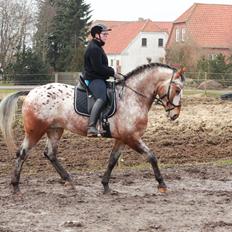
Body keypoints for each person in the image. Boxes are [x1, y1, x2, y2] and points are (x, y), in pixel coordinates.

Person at [83, 24, 123, 137]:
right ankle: (91, 127)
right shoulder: (94, 48)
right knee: (102, 98)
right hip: (93, 79)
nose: (106, 36)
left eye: (107, 34)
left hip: (99, 78)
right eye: (104, 34)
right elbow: (98, 68)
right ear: (97, 35)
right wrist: (113, 73)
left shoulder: (97, 47)